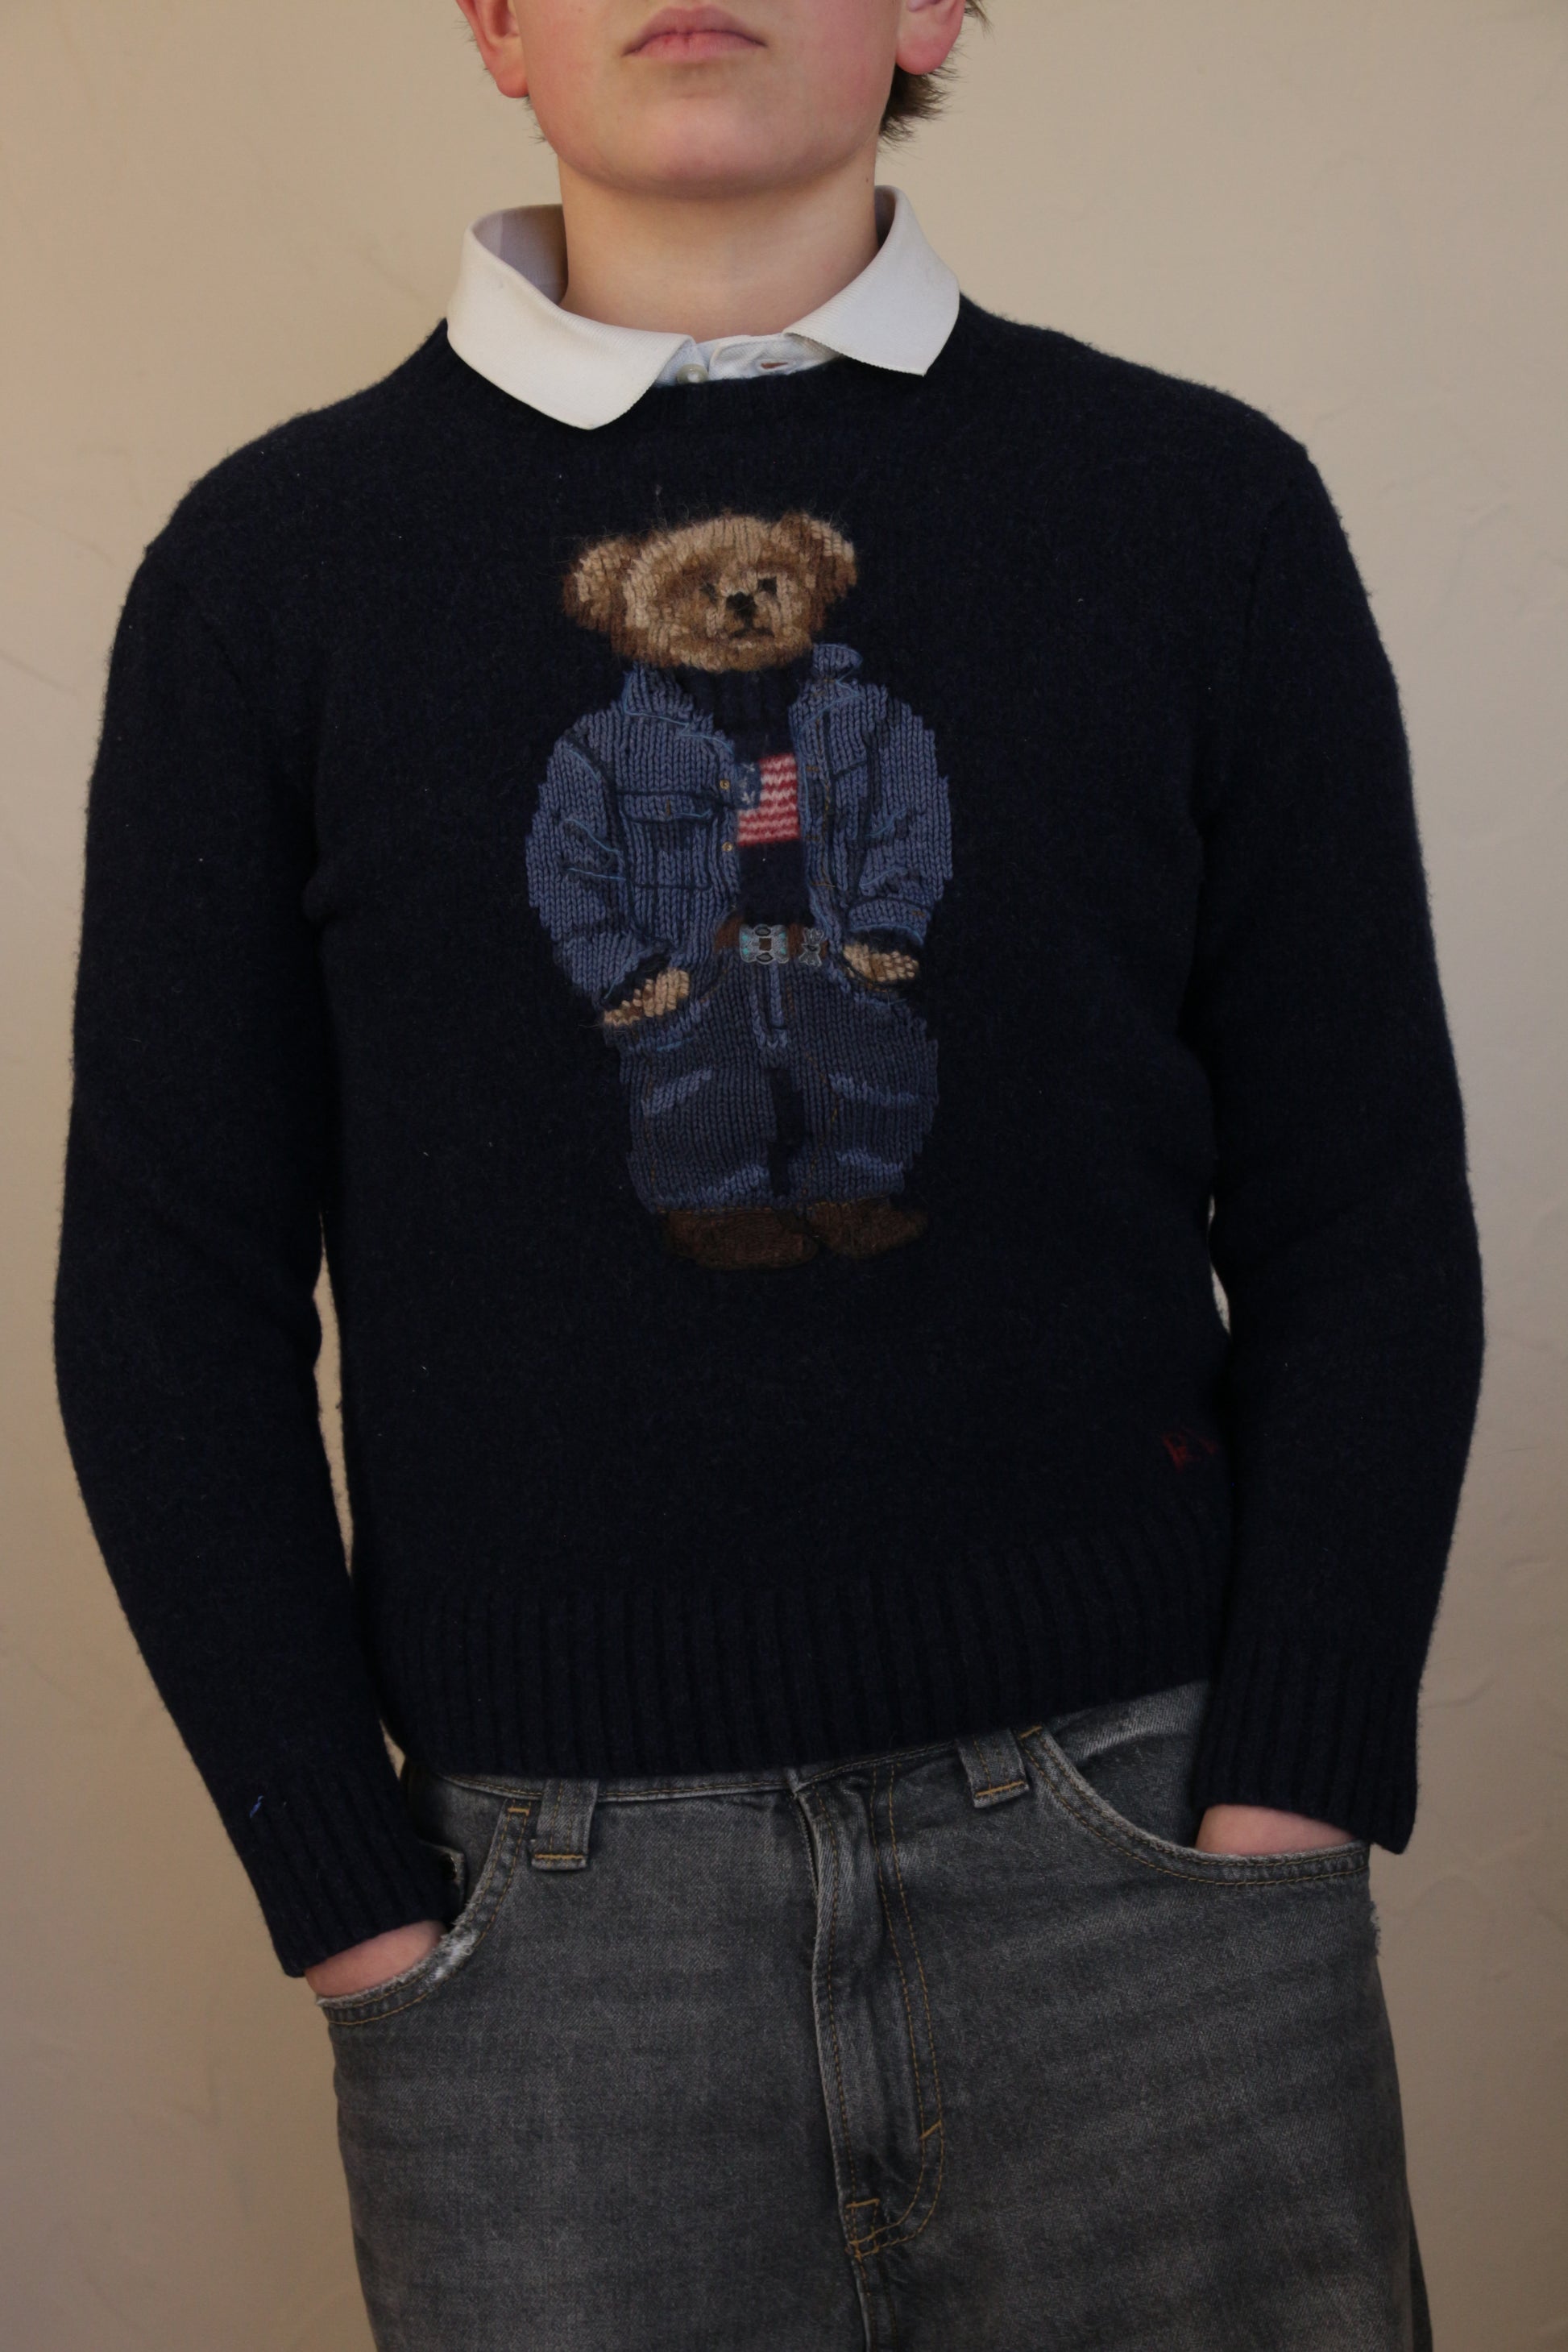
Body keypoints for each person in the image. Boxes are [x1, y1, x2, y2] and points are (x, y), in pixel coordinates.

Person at [52, 2, 1484, 2345]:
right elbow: (164, 1291)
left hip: (1152, 1865)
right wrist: (346, 1888)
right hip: (538, 1933)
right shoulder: (269, 572)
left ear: (926, 9)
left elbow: (1362, 1200)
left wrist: (1291, 1789)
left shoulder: (1192, 507)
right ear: (493, 20)